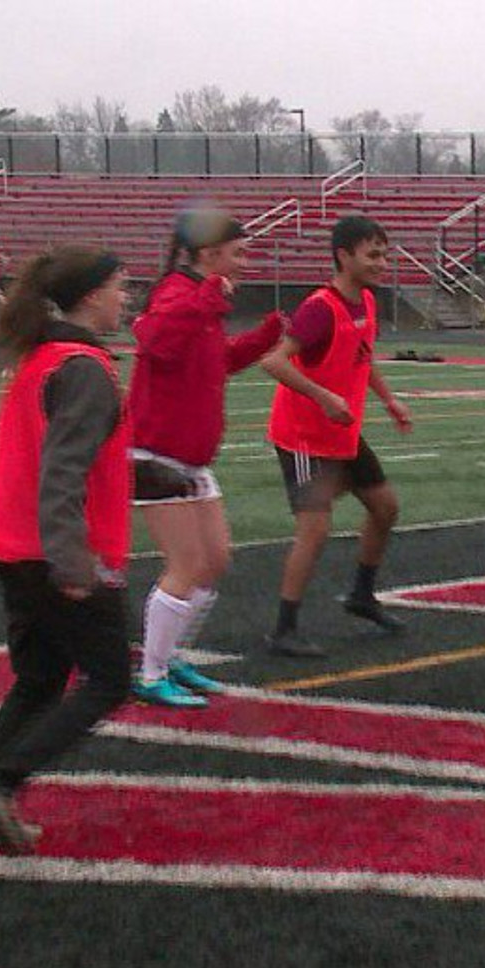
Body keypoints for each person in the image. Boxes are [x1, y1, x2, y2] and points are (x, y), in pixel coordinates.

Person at [0, 245, 131, 853]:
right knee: (110, 679)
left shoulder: (45, 357)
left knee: (39, 680)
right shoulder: (85, 366)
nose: (125, 298)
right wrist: (71, 557)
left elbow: (68, 456)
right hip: (56, 549)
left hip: (14, 543)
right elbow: (62, 471)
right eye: (120, 287)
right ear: (89, 296)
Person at [126, 208, 294, 706]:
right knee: (187, 563)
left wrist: (262, 339)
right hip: (157, 455)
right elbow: (157, 341)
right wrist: (204, 301)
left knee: (214, 561)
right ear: (208, 254)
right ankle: (153, 673)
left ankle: (171, 653)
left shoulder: (201, 301)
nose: (245, 262)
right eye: (238, 252)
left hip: (191, 459)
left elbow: (212, 363)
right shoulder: (178, 294)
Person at [260, 215, 413, 657]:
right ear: (344, 256)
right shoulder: (319, 308)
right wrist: (323, 396)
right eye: (373, 255)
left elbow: (363, 355)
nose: (382, 263)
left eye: (385, 254)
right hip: (305, 436)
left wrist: (388, 400)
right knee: (316, 529)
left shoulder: (365, 300)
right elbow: (274, 361)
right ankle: (283, 629)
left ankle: (361, 596)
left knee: (385, 508)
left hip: (342, 433)